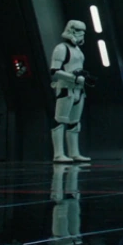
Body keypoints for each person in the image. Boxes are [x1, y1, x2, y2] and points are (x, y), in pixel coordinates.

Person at [49, 20, 92, 163]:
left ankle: (74, 153)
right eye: (78, 31)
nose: (81, 34)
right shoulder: (61, 48)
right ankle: (58, 154)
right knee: (60, 120)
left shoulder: (78, 50)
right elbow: (55, 70)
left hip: (78, 90)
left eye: (83, 32)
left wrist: (81, 78)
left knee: (74, 122)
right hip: (66, 89)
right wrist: (74, 78)